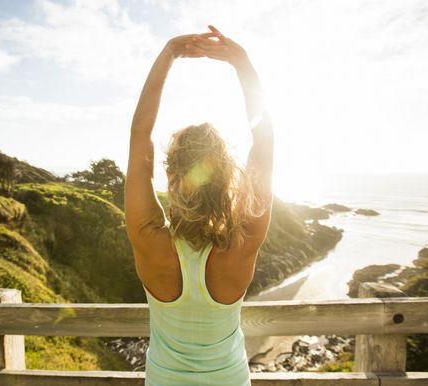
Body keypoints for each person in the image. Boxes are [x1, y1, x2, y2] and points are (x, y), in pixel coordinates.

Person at [125, 25, 274, 386]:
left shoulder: (149, 239)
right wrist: (242, 64)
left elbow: (139, 138)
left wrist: (169, 53)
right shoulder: (240, 247)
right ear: (226, 178)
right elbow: (264, 141)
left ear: (171, 175)